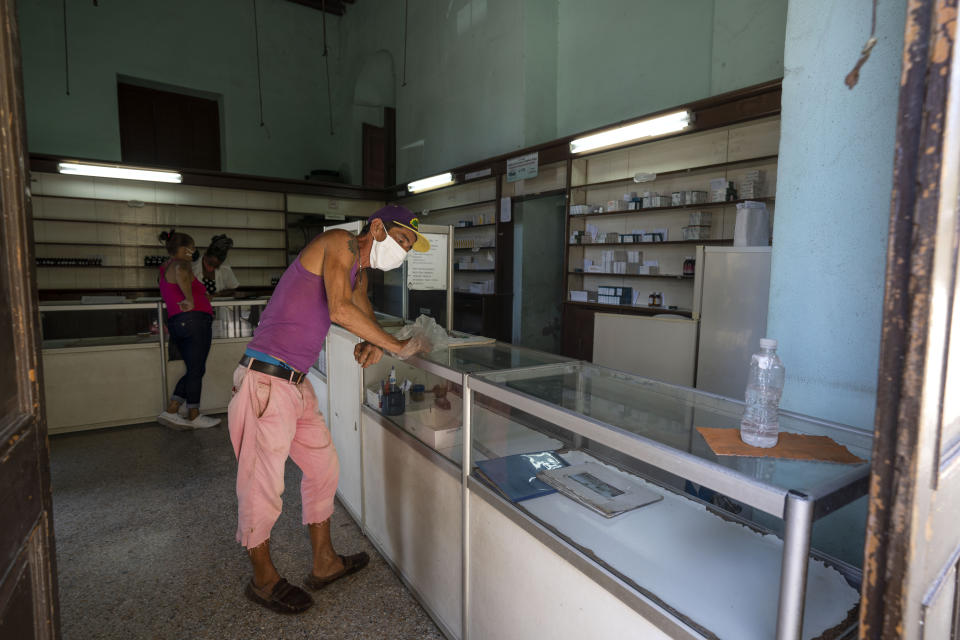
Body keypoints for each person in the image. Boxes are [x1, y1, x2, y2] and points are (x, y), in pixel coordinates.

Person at [228, 204, 432, 614]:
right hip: (266, 381)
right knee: (262, 484)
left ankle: (325, 563)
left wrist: (374, 340)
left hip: (295, 385)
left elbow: (360, 311)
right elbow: (339, 310)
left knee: (323, 468)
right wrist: (397, 347)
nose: (403, 252)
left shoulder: (360, 270)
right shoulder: (339, 242)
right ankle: (263, 579)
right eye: (402, 240)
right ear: (377, 228)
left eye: (409, 247)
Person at [156, 230, 221, 430]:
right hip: (194, 321)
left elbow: (178, 286)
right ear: (184, 249)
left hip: (179, 322)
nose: (193, 252)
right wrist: (191, 299)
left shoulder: (164, 267)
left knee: (195, 369)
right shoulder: (180, 263)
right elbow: (182, 273)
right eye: (191, 248)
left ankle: (173, 409)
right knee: (196, 369)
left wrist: (199, 297)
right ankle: (192, 414)